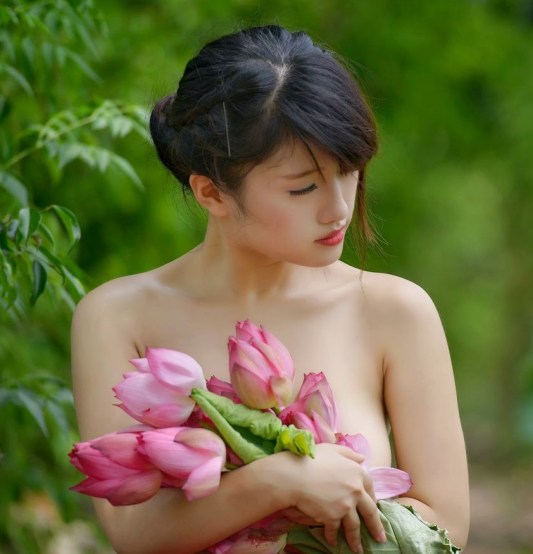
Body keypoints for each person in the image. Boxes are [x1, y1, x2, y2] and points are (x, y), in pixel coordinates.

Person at [70, 24, 469, 553]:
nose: (339, 207)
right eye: (303, 187)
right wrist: (281, 481)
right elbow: (135, 533)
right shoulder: (117, 317)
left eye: (349, 171)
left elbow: (445, 528)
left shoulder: (394, 311)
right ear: (211, 192)